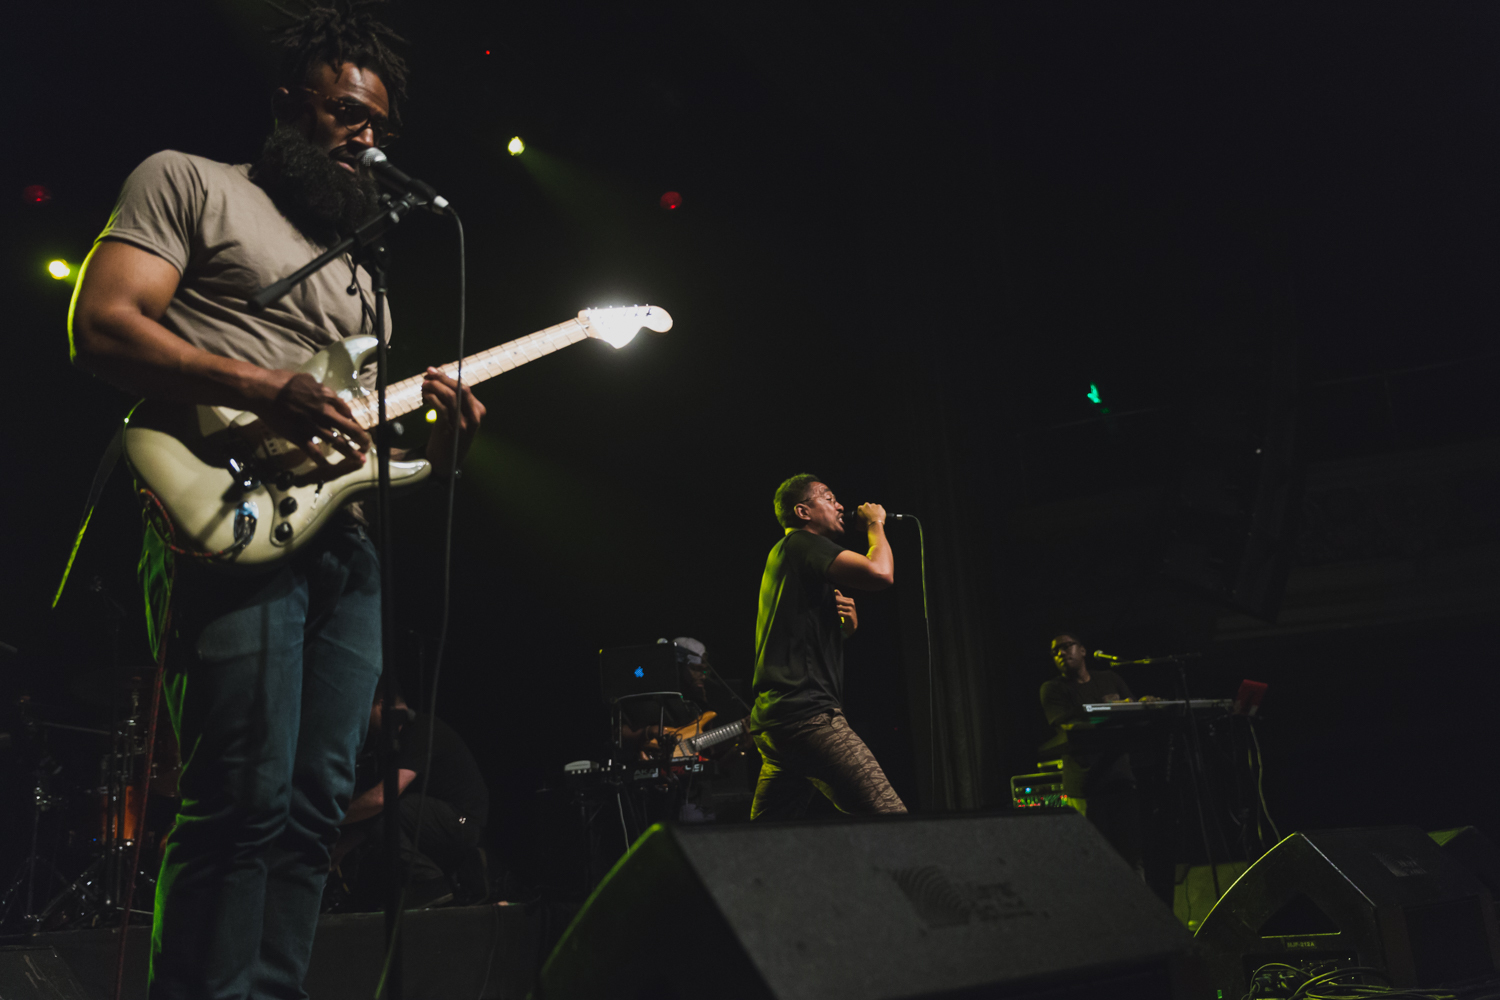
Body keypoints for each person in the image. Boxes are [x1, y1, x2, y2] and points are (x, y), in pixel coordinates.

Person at [67, 5, 484, 996]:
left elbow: (355, 444)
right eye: (344, 112)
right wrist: (262, 387)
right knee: (240, 792)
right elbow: (102, 325)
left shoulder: (365, 279)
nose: (364, 136)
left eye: (378, 124)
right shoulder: (189, 183)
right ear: (287, 107)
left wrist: (438, 437)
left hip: (341, 544)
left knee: (316, 807)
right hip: (224, 512)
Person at [748, 474, 906, 820]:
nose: (840, 506)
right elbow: (881, 574)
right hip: (808, 718)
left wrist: (843, 632)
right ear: (803, 511)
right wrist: (876, 524)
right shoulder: (802, 542)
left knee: (765, 843)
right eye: (829, 498)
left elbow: (794, 641)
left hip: (778, 724)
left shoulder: (787, 555)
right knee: (891, 818)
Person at [332, 692, 489, 909]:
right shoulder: (394, 741)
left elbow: (380, 801)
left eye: (364, 711)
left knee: (383, 805)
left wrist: (327, 815)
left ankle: (430, 881)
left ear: (382, 704)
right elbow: (378, 818)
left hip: (461, 822)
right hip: (438, 822)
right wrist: (341, 849)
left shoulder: (420, 730)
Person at [1040, 633, 1143, 870]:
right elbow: (1069, 727)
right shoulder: (1053, 689)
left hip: (1121, 778)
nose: (1061, 654)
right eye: (1055, 652)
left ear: (1083, 650)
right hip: (1086, 785)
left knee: (1130, 852)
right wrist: (1114, 713)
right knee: (1098, 858)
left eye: (1066, 647)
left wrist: (1140, 705)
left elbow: (1134, 712)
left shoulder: (1109, 678)